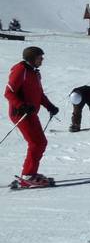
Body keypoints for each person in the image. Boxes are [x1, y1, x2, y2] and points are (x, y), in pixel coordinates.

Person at [4, 46, 60, 187]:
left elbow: (39, 94)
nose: (42, 59)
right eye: (40, 57)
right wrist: (21, 105)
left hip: (30, 113)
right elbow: (8, 93)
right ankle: (28, 175)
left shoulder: (34, 73)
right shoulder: (20, 70)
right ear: (32, 58)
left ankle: (30, 173)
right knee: (36, 143)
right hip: (21, 114)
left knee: (40, 142)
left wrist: (50, 106)